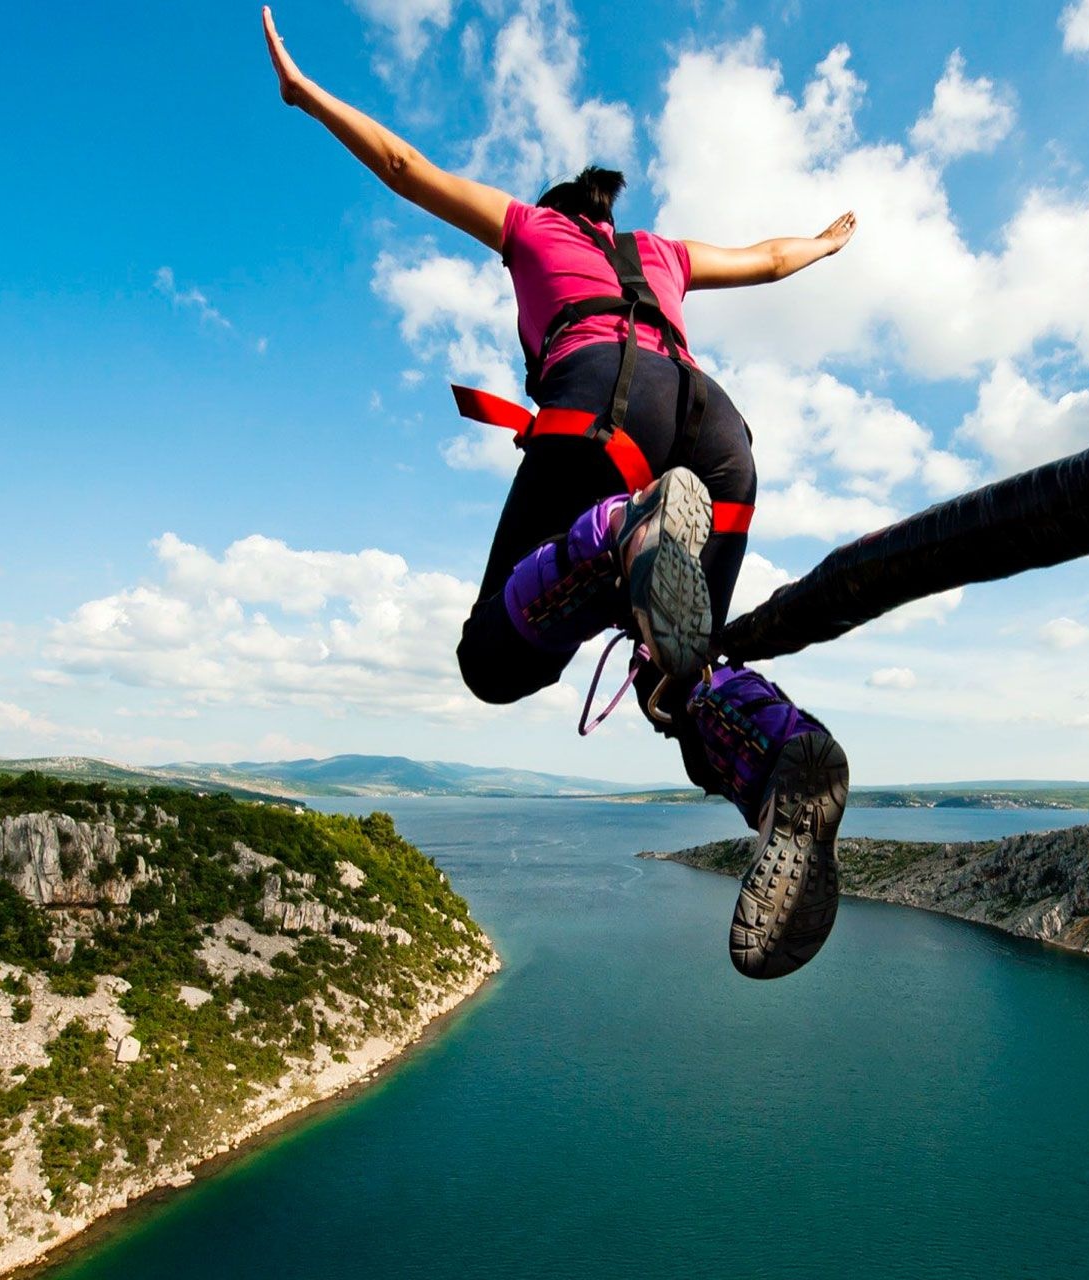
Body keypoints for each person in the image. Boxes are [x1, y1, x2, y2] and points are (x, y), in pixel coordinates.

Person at [263, 7, 854, 979]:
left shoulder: (530, 226)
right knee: (678, 667)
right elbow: (772, 257)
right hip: (719, 436)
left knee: (494, 657)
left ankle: (619, 535)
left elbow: (407, 168)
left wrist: (307, 93)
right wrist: (828, 243)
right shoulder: (662, 253)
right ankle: (782, 759)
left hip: (605, 411)